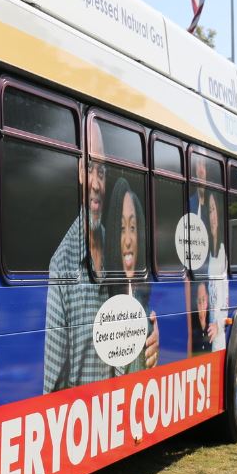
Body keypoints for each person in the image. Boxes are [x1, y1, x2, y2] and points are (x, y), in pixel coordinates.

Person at [43, 122, 159, 393]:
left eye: (102, 171)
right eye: (90, 169)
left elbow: (140, 308)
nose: (96, 183)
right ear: (79, 173)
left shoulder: (117, 247)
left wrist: (153, 333)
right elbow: (52, 386)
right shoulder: (62, 264)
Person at [104, 179, 153, 374]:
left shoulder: (146, 304)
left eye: (133, 228)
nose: (128, 240)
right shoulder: (104, 299)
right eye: (121, 229)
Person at [204, 192, 228, 351]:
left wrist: (218, 326)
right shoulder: (206, 253)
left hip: (218, 336)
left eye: (214, 209)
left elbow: (225, 298)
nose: (212, 215)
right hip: (208, 332)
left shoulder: (222, 252)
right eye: (209, 211)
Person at [191, 281, 214, 354]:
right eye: (199, 301)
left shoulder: (212, 320)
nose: (201, 306)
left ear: (207, 299)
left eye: (203, 300)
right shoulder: (192, 326)